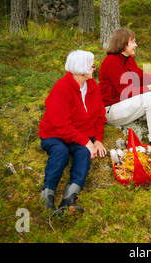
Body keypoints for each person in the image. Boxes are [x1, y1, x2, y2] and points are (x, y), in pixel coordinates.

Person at [39, 50, 107, 214]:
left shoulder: (92, 86)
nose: (94, 68)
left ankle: (69, 199)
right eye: (91, 65)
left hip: (80, 135)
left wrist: (97, 140)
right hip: (54, 134)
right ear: (81, 69)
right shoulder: (61, 88)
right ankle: (47, 198)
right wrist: (86, 141)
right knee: (60, 152)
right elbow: (61, 125)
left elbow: (99, 116)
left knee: (84, 154)